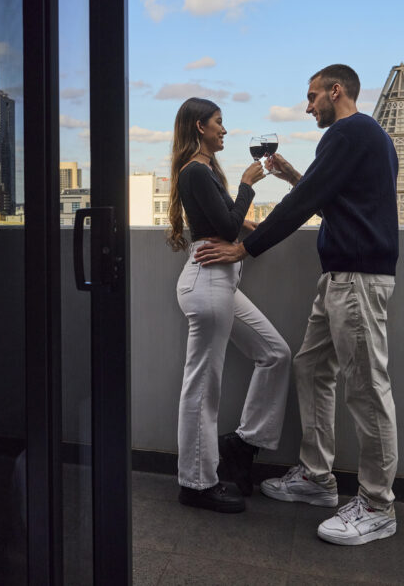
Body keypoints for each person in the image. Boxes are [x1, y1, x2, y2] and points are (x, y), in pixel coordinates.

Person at [195, 64, 400, 545]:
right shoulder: (369, 137)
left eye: (312, 98)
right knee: (310, 368)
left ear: (335, 91)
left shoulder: (348, 132)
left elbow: (308, 202)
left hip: (357, 279)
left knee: (367, 390)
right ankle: (316, 477)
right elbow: (335, 201)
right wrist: (293, 176)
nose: (308, 107)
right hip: (340, 278)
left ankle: (377, 505)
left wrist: (245, 247)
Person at [168, 97, 293, 513]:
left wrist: (246, 221)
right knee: (203, 387)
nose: (224, 130)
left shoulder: (202, 172)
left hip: (220, 282)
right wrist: (246, 185)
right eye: (219, 123)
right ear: (200, 127)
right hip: (208, 283)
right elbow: (222, 226)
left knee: (275, 353)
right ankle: (197, 483)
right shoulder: (196, 171)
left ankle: (243, 443)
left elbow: (222, 221)